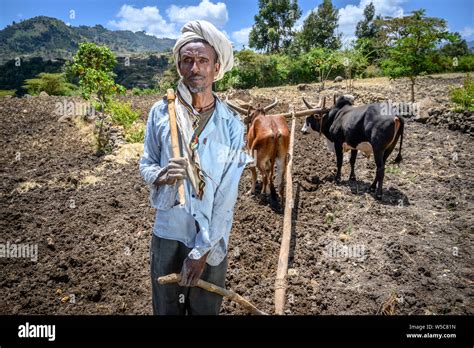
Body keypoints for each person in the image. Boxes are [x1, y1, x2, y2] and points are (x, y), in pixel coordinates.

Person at [139, 20, 251, 315]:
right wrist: (160, 175)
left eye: (203, 60)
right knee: (166, 310)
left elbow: (227, 198)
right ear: (179, 66)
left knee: (204, 311)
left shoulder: (231, 125)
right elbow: (146, 163)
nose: (195, 68)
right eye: (187, 60)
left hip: (211, 239)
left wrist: (201, 252)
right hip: (168, 232)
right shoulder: (161, 112)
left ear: (216, 68)